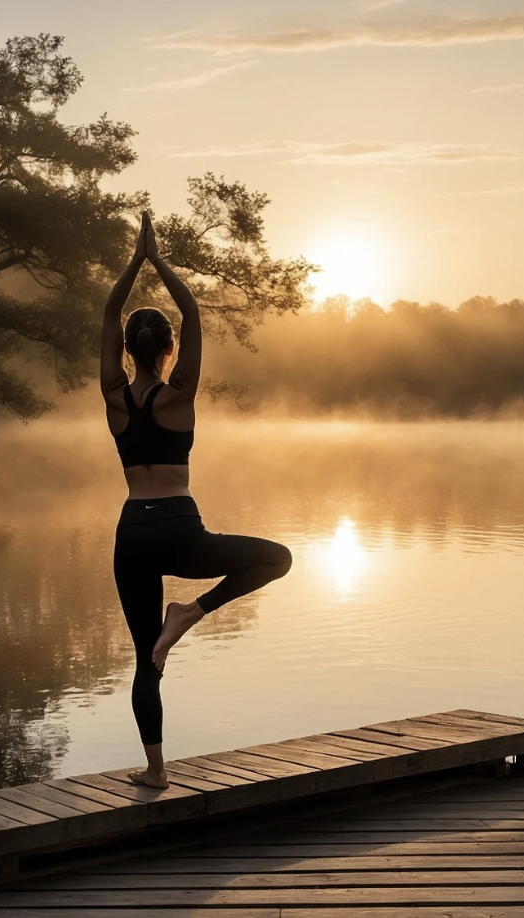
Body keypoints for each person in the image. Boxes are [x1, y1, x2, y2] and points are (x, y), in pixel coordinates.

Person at [100, 211, 292, 789]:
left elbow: (109, 314)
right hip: (180, 528)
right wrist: (158, 260)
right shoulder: (178, 396)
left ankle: (156, 770)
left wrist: (134, 261)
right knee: (277, 558)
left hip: (133, 533)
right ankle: (189, 614)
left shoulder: (114, 396)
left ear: (127, 348)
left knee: (145, 659)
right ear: (170, 349)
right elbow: (193, 314)